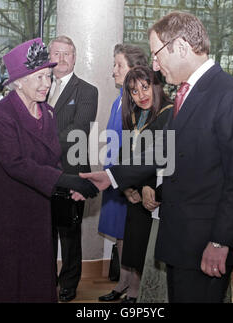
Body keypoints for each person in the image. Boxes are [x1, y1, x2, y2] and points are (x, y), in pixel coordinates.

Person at [78, 11, 233, 303]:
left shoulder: (229, 95)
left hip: (205, 240)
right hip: (182, 236)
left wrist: (220, 242)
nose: (155, 65)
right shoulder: (189, 92)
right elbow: (164, 147)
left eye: (157, 54)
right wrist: (111, 176)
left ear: (182, 47)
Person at [0, 38, 98, 303]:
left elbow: (52, 159)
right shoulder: (0, 115)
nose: (46, 84)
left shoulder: (48, 113)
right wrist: (65, 181)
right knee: (6, 282)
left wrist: (69, 188)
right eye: (39, 78)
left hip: (37, 211)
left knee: (37, 278)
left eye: (48, 77)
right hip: (4, 215)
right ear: (18, 82)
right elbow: (16, 163)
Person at [48, 35, 98, 303]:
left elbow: (77, 131)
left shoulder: (87, 90)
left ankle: (68, 284)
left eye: (68, 54)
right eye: (58, 53)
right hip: (41, 175)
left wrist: (39, 143)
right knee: (45, 233)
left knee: (68, 235)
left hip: (71, 174)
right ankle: (45, 281)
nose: (63, 58)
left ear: (75, 57)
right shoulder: (41, 86)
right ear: (49, 57)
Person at [98, 44, 149, 302]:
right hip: (114, 179)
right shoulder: (119, 99)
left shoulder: (142, 103)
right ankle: (123, 283)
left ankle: (136, 289)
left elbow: (140, 150)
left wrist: (127, 183)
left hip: (129, 182)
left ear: (134, 70)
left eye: (119, 65)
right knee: (119, 233)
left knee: (132, 237)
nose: (114, 70)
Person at [119, 66, 173, 303]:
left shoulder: (170, 113)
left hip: (157, 198)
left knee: (156, 261)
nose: (141, 94)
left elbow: (167, 158)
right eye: (134, 91)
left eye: (145, 86)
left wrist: (147, 186)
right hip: (136, 195)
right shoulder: (134, 117)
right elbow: (126, 154)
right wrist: (127, 187)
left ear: (156, 85)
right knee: (139, 255)